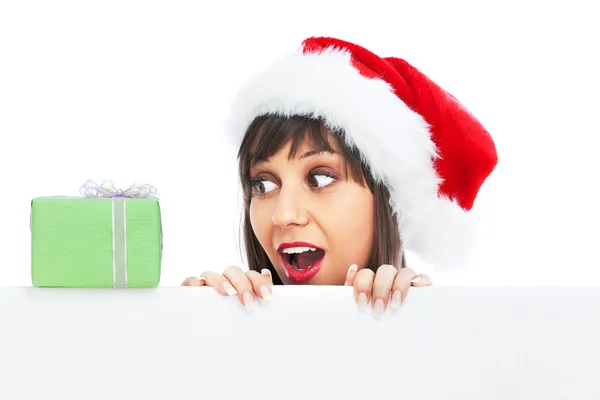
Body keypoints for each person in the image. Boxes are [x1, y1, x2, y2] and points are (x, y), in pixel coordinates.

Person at [182, 37, 498, 315]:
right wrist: (192, 325)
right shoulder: (222, 318)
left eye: (319, 178)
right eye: (263, 184)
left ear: (387, 201)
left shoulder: (435, 334)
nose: (283, 215)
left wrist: (417, 321)